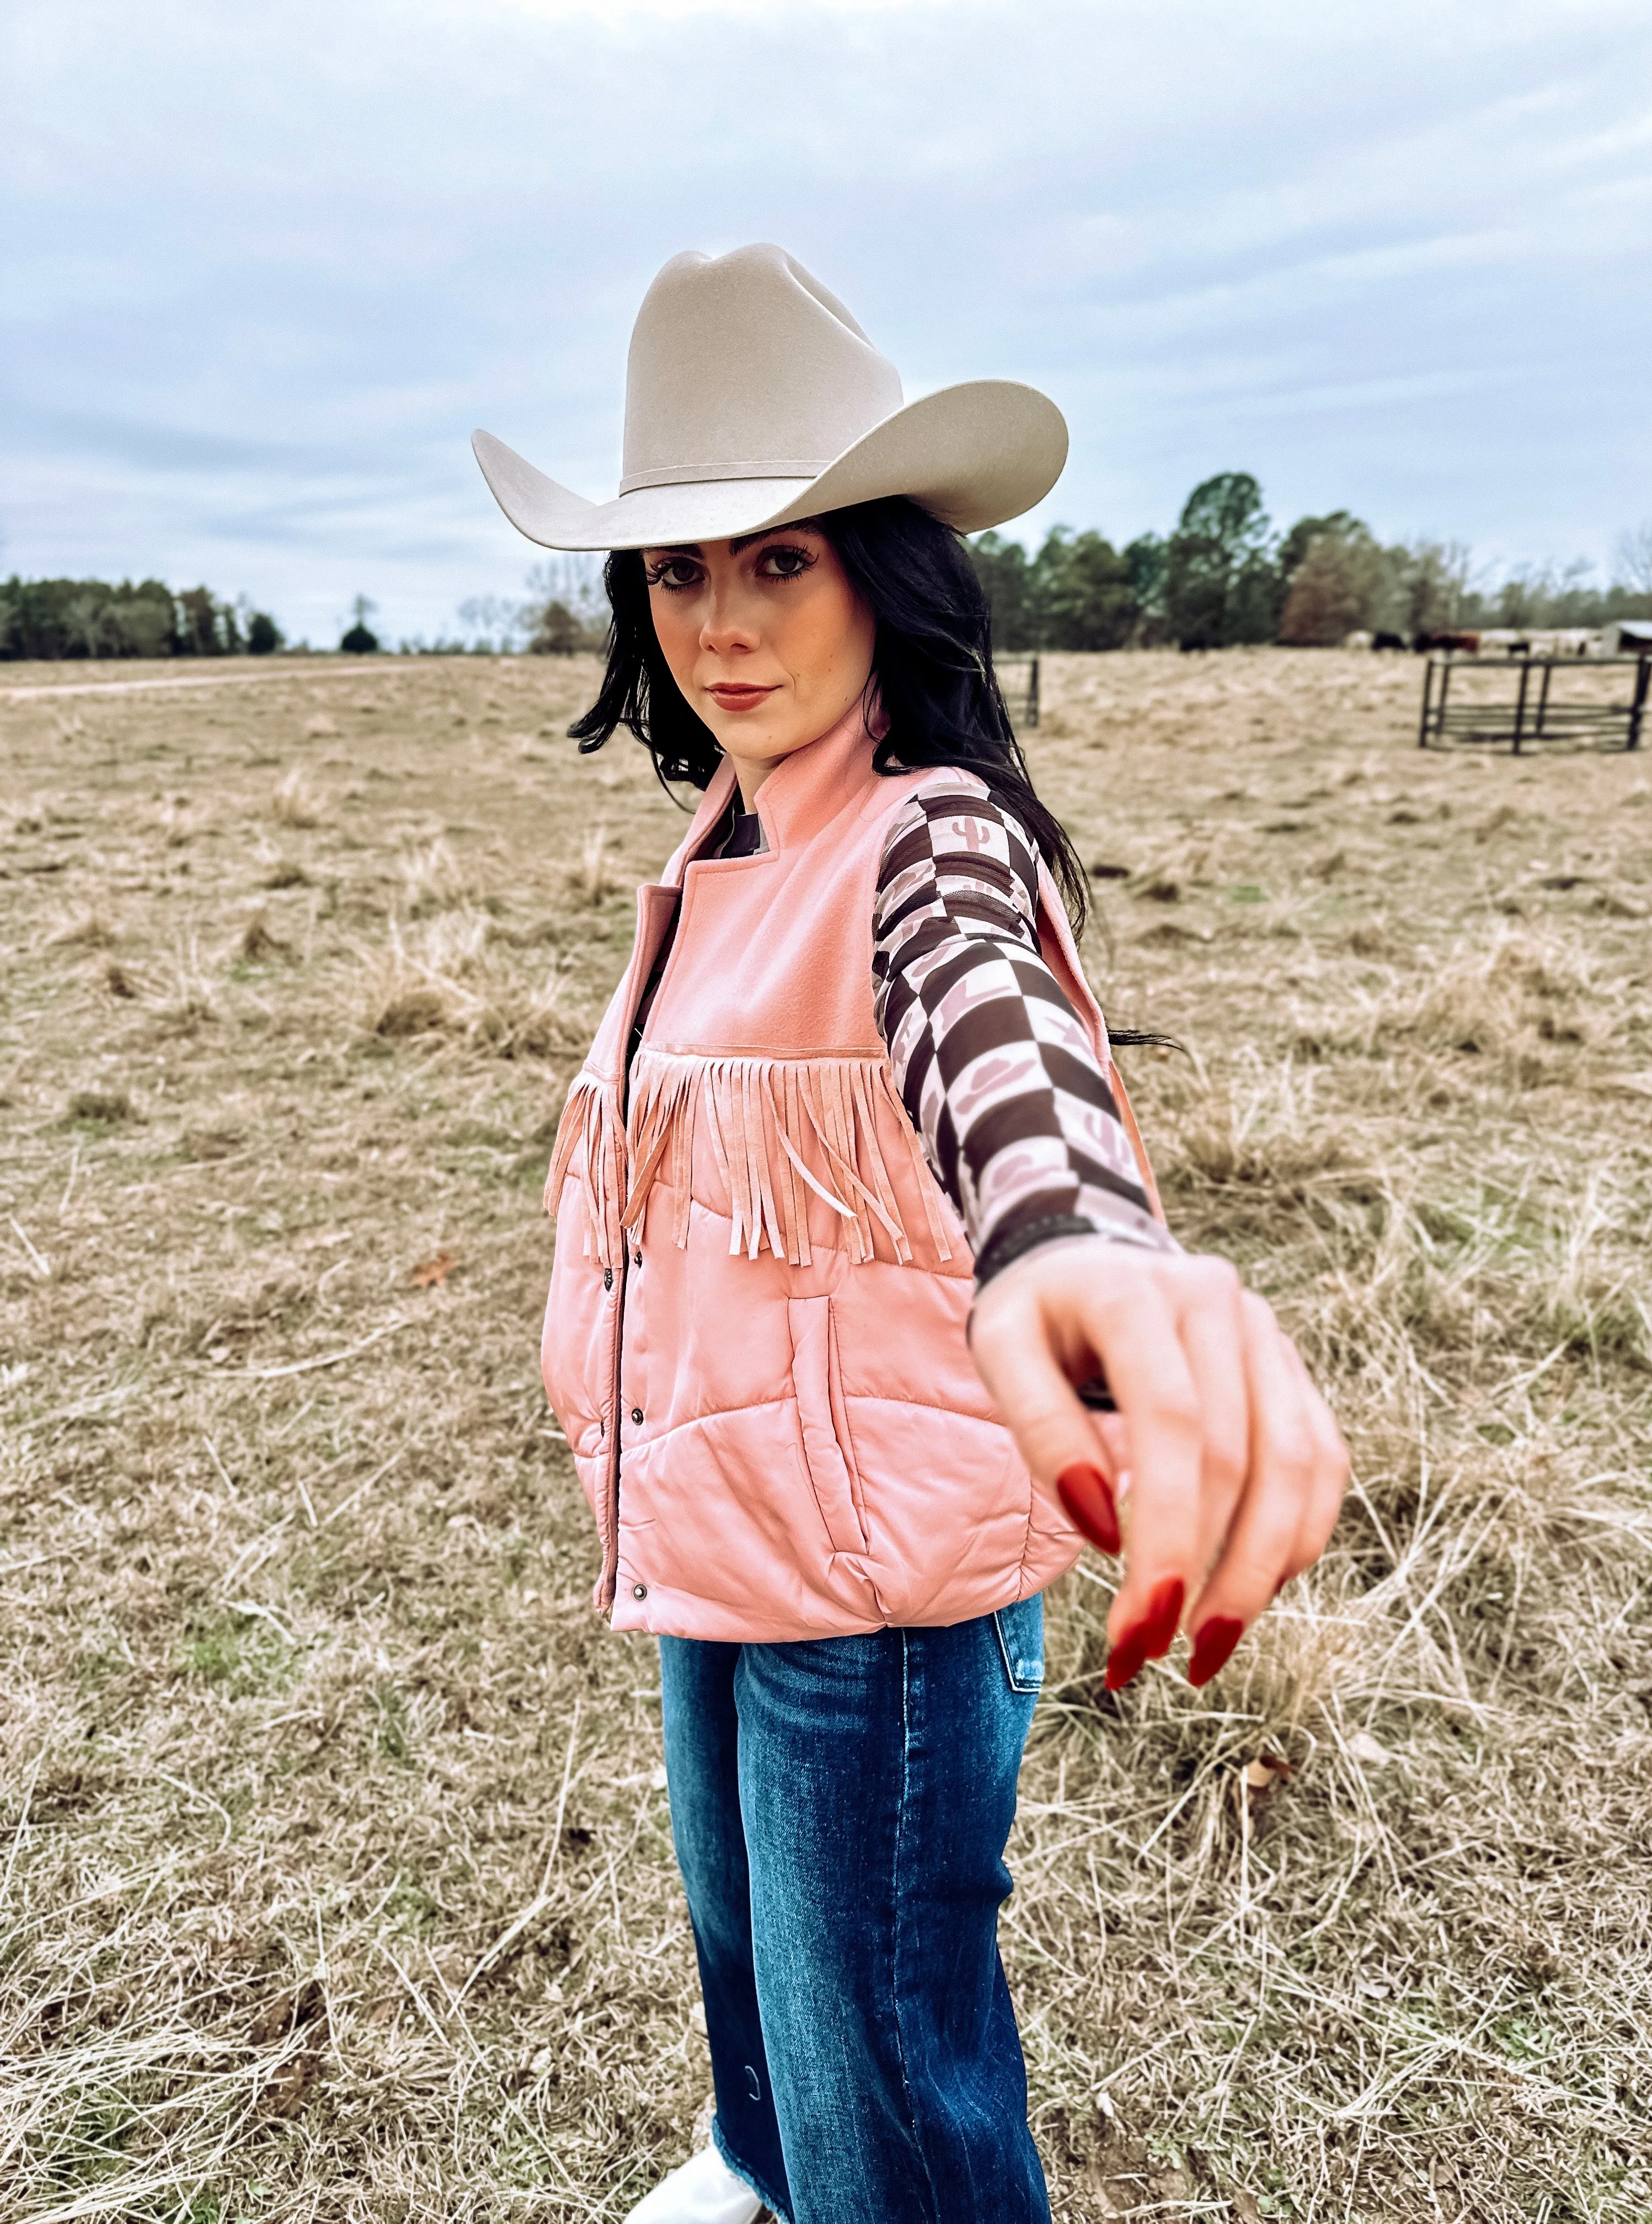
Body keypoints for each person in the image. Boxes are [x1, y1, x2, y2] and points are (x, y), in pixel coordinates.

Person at [472, 244, 1349, 2224]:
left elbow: (994, 1031)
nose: (720, 621)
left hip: (876, 1591)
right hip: (721, 1534)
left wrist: (1074, 1245)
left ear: (891, 563)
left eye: (781, 559)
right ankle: (764, 2170)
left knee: (880, 2013)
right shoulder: (729, 831)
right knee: (749, 1945)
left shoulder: (927, 825)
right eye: (679, 570)